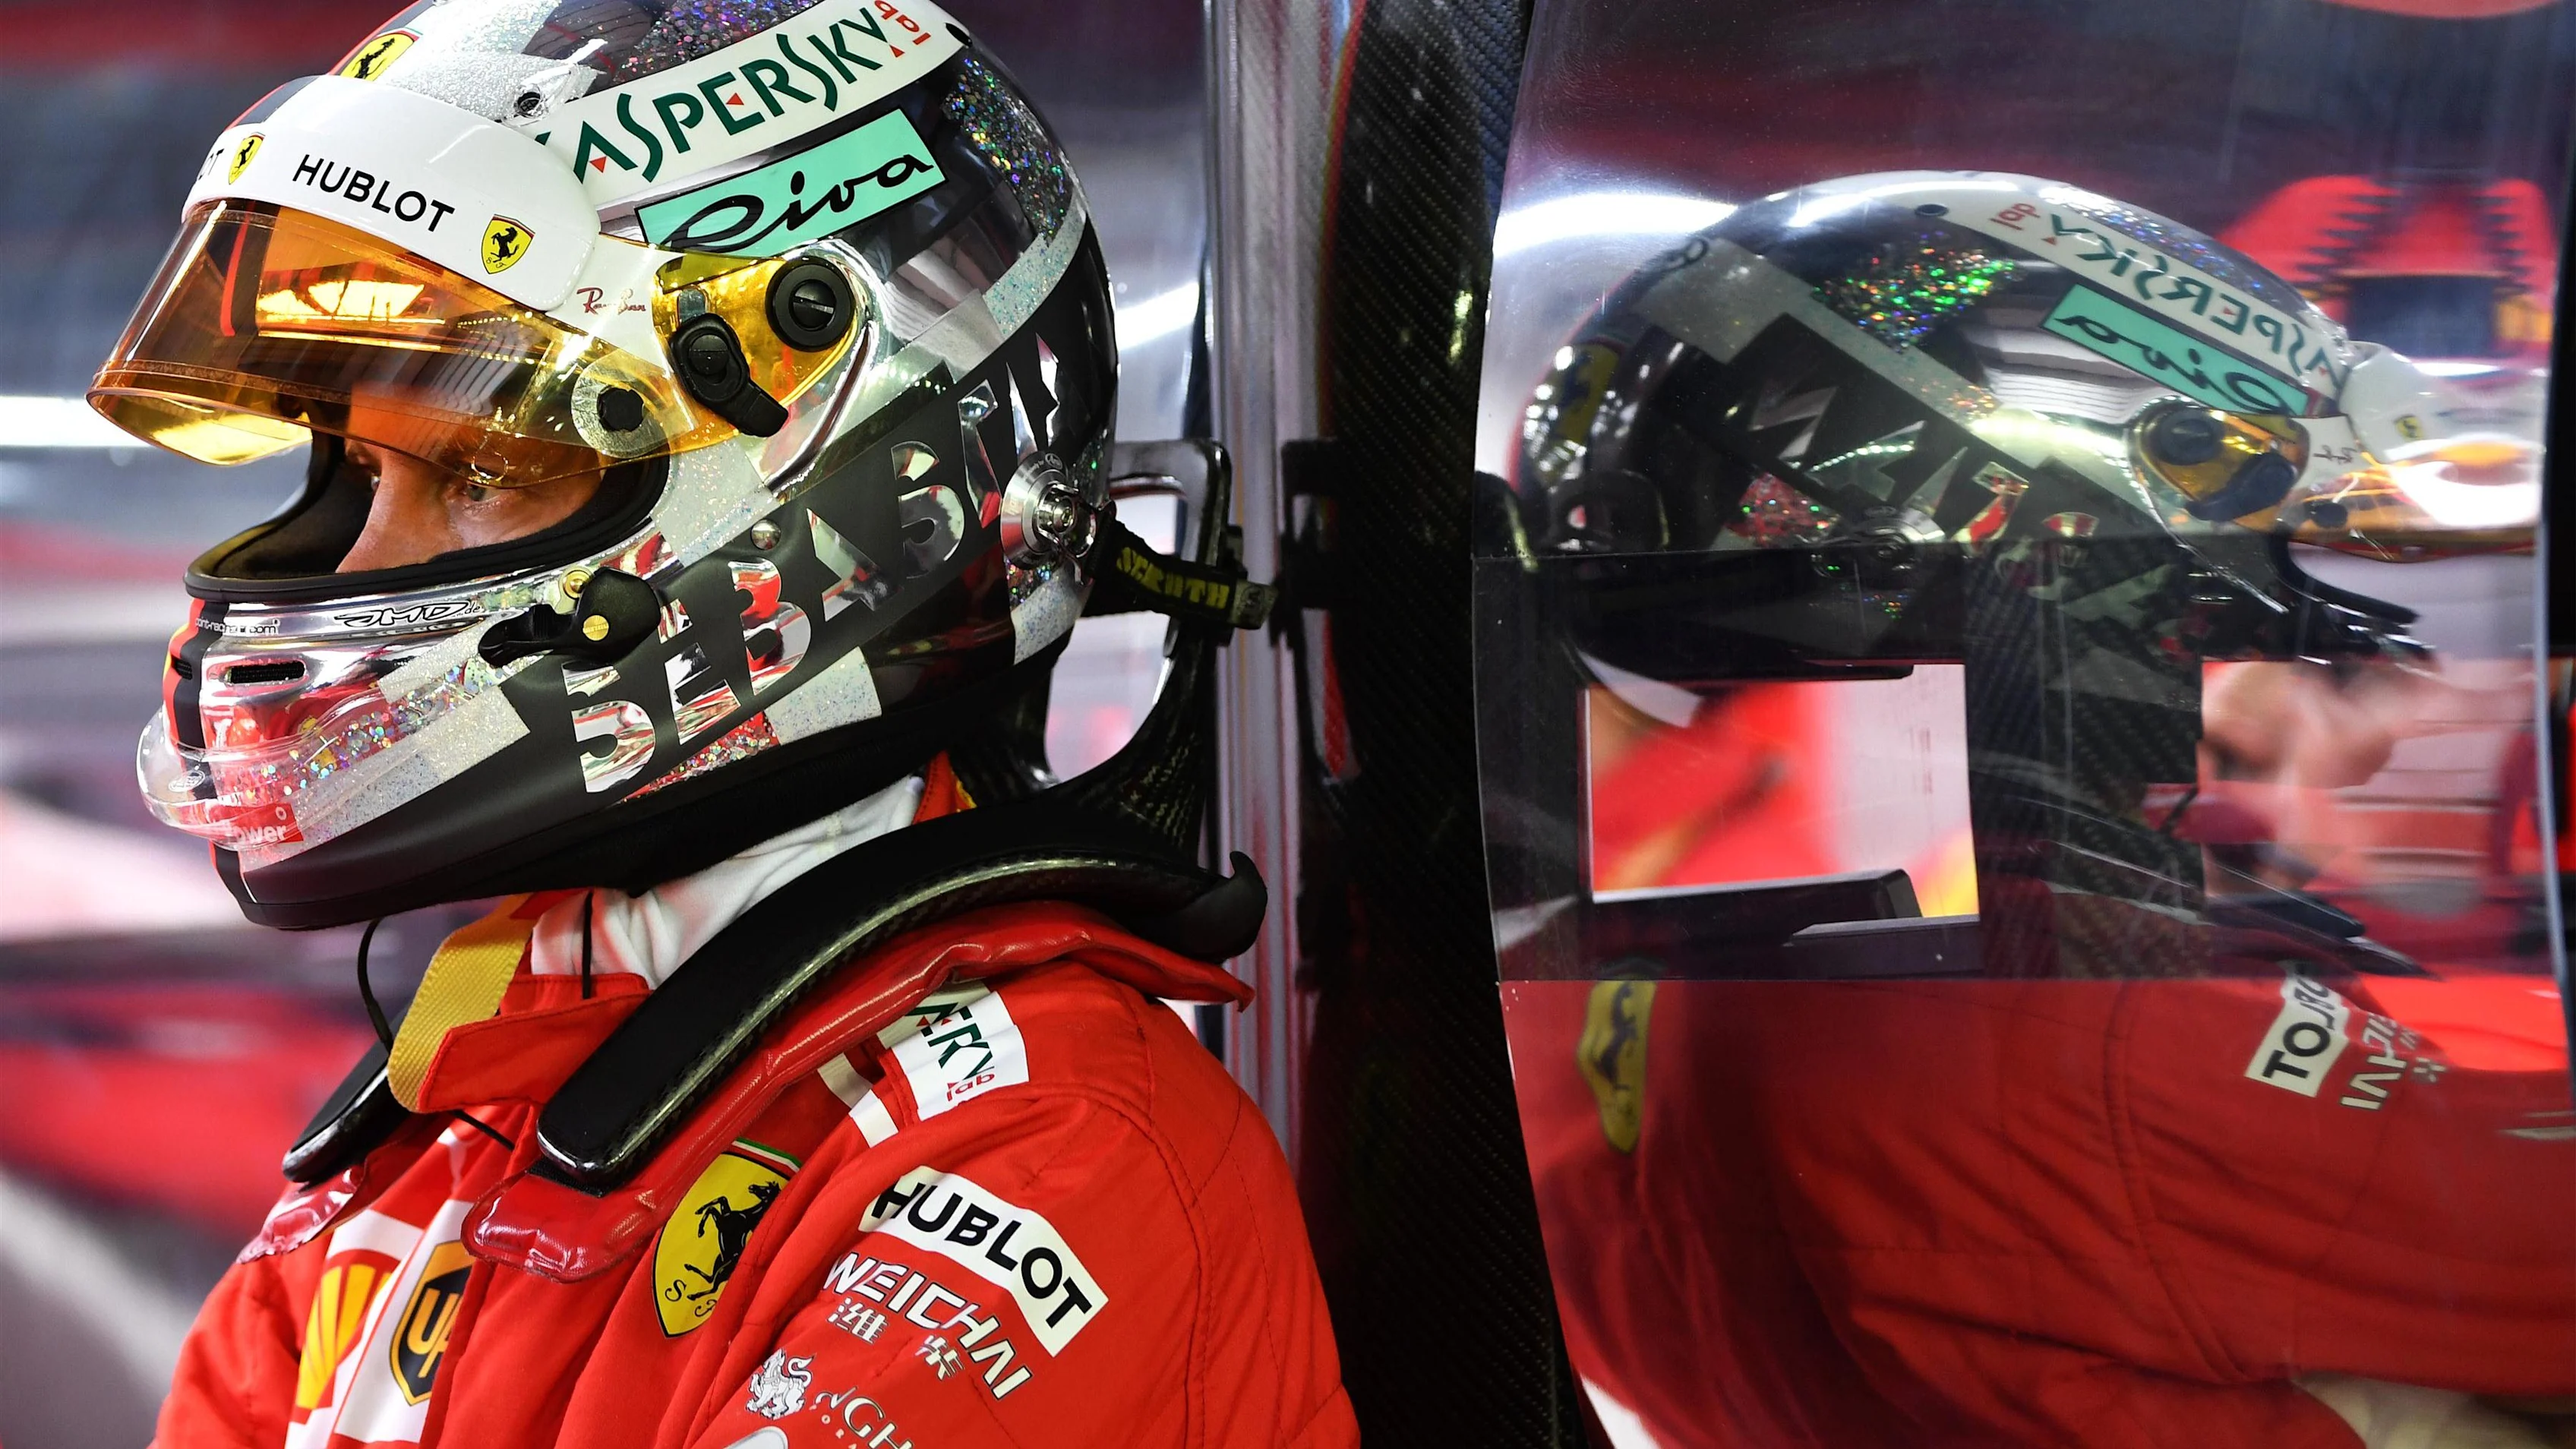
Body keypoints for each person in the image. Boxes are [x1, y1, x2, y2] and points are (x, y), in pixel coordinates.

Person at [87, 4, 1355, 1445]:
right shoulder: (424, 1146)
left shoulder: (1043, 1160)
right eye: (360, 479)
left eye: (483, 472)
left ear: (839, 483)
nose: (360, 569)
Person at [1481, 172, 2575, 1447]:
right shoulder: (2085, 1034)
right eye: (2270, 530)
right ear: (2049, 533)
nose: (2307, 599)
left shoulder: (1683, 955)